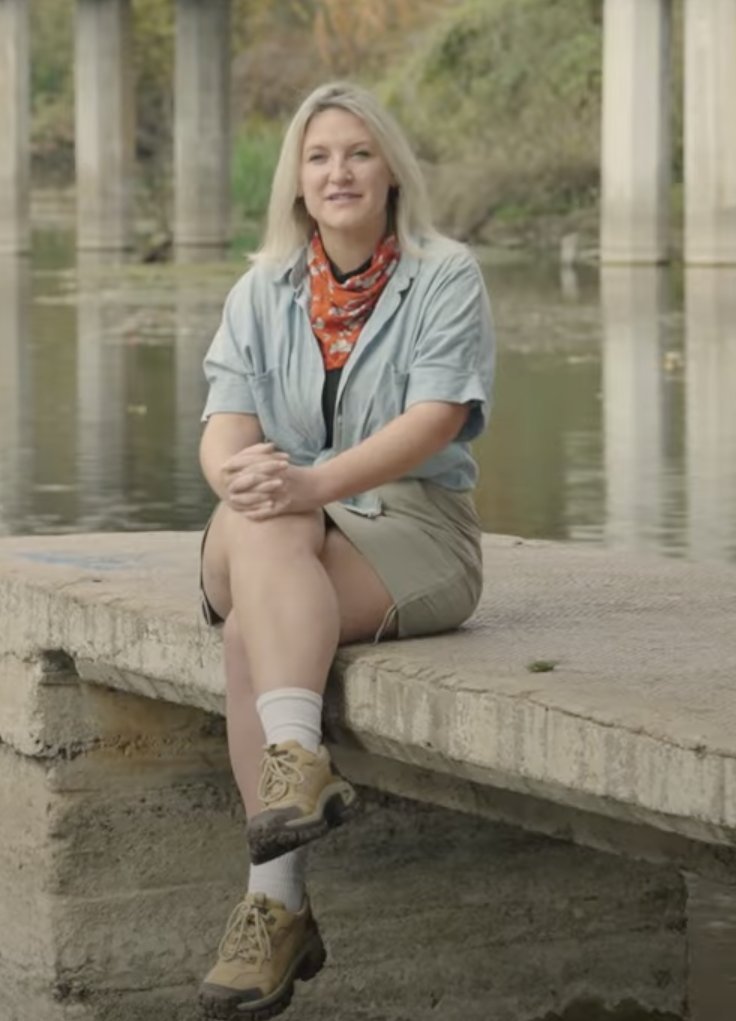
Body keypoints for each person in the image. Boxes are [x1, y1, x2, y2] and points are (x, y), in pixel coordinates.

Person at [191, 81, 494, 1021]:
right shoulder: (261, 289)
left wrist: (309, 487)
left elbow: (436, 419)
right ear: (297, 183)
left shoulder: (445, 275)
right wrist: (242, 482)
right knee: (263, 508)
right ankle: (297, 758)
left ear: (392, 171)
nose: (340, 172)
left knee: (253, 634)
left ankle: (276, 906)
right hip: (270, 527)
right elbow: (223, 429)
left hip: (412, 531)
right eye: (320, 157)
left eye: (359, 153)